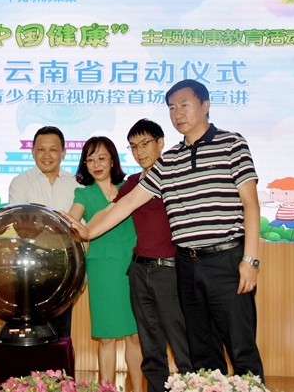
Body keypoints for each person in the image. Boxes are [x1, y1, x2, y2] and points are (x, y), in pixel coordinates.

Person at [66, 79, 265, 383]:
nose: (177, 113)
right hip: (186, 265)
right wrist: (88, 233)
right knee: (202, 351)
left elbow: (251, 203)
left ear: (205, 105)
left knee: (241, 348)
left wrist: (250, 260)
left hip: (226, 260)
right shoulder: (170, 160)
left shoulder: (232, 143)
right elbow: (128, 201)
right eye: (172, 107)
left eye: (184, 105)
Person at [119, 119, 192, 392]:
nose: (139, 152)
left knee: (181, 341)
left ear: (161, 143)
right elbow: (113, 210)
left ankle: (192, 386)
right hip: (139, 271)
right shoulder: (132, 183)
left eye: (145, 144)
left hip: (170, 271)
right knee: (150, 345)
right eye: (133, 146)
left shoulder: (177, 177)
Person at [68, 136, 143, 392]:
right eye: (90, 160)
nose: (96, 164)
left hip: (134, 264)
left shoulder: (131, 186)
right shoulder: (83, 193)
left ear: (112, 160)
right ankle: (106, 389)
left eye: (101, 158)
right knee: (107, 337)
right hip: (102, 269)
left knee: (135, 336)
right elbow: (72, 222)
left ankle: (138, 388)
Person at [8, 126, 81, 339]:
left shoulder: (76, 184)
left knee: (60, 333)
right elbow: (22, 227)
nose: (47, 155)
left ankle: (59, 363)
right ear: (32, 151)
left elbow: (79, 227)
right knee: (29, 333)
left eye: (53, 149)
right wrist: (60, 235)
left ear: (64, 152)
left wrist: (44, 231)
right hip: (29, 266)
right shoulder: (21, 182)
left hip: (65, 267)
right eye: (41, 149)